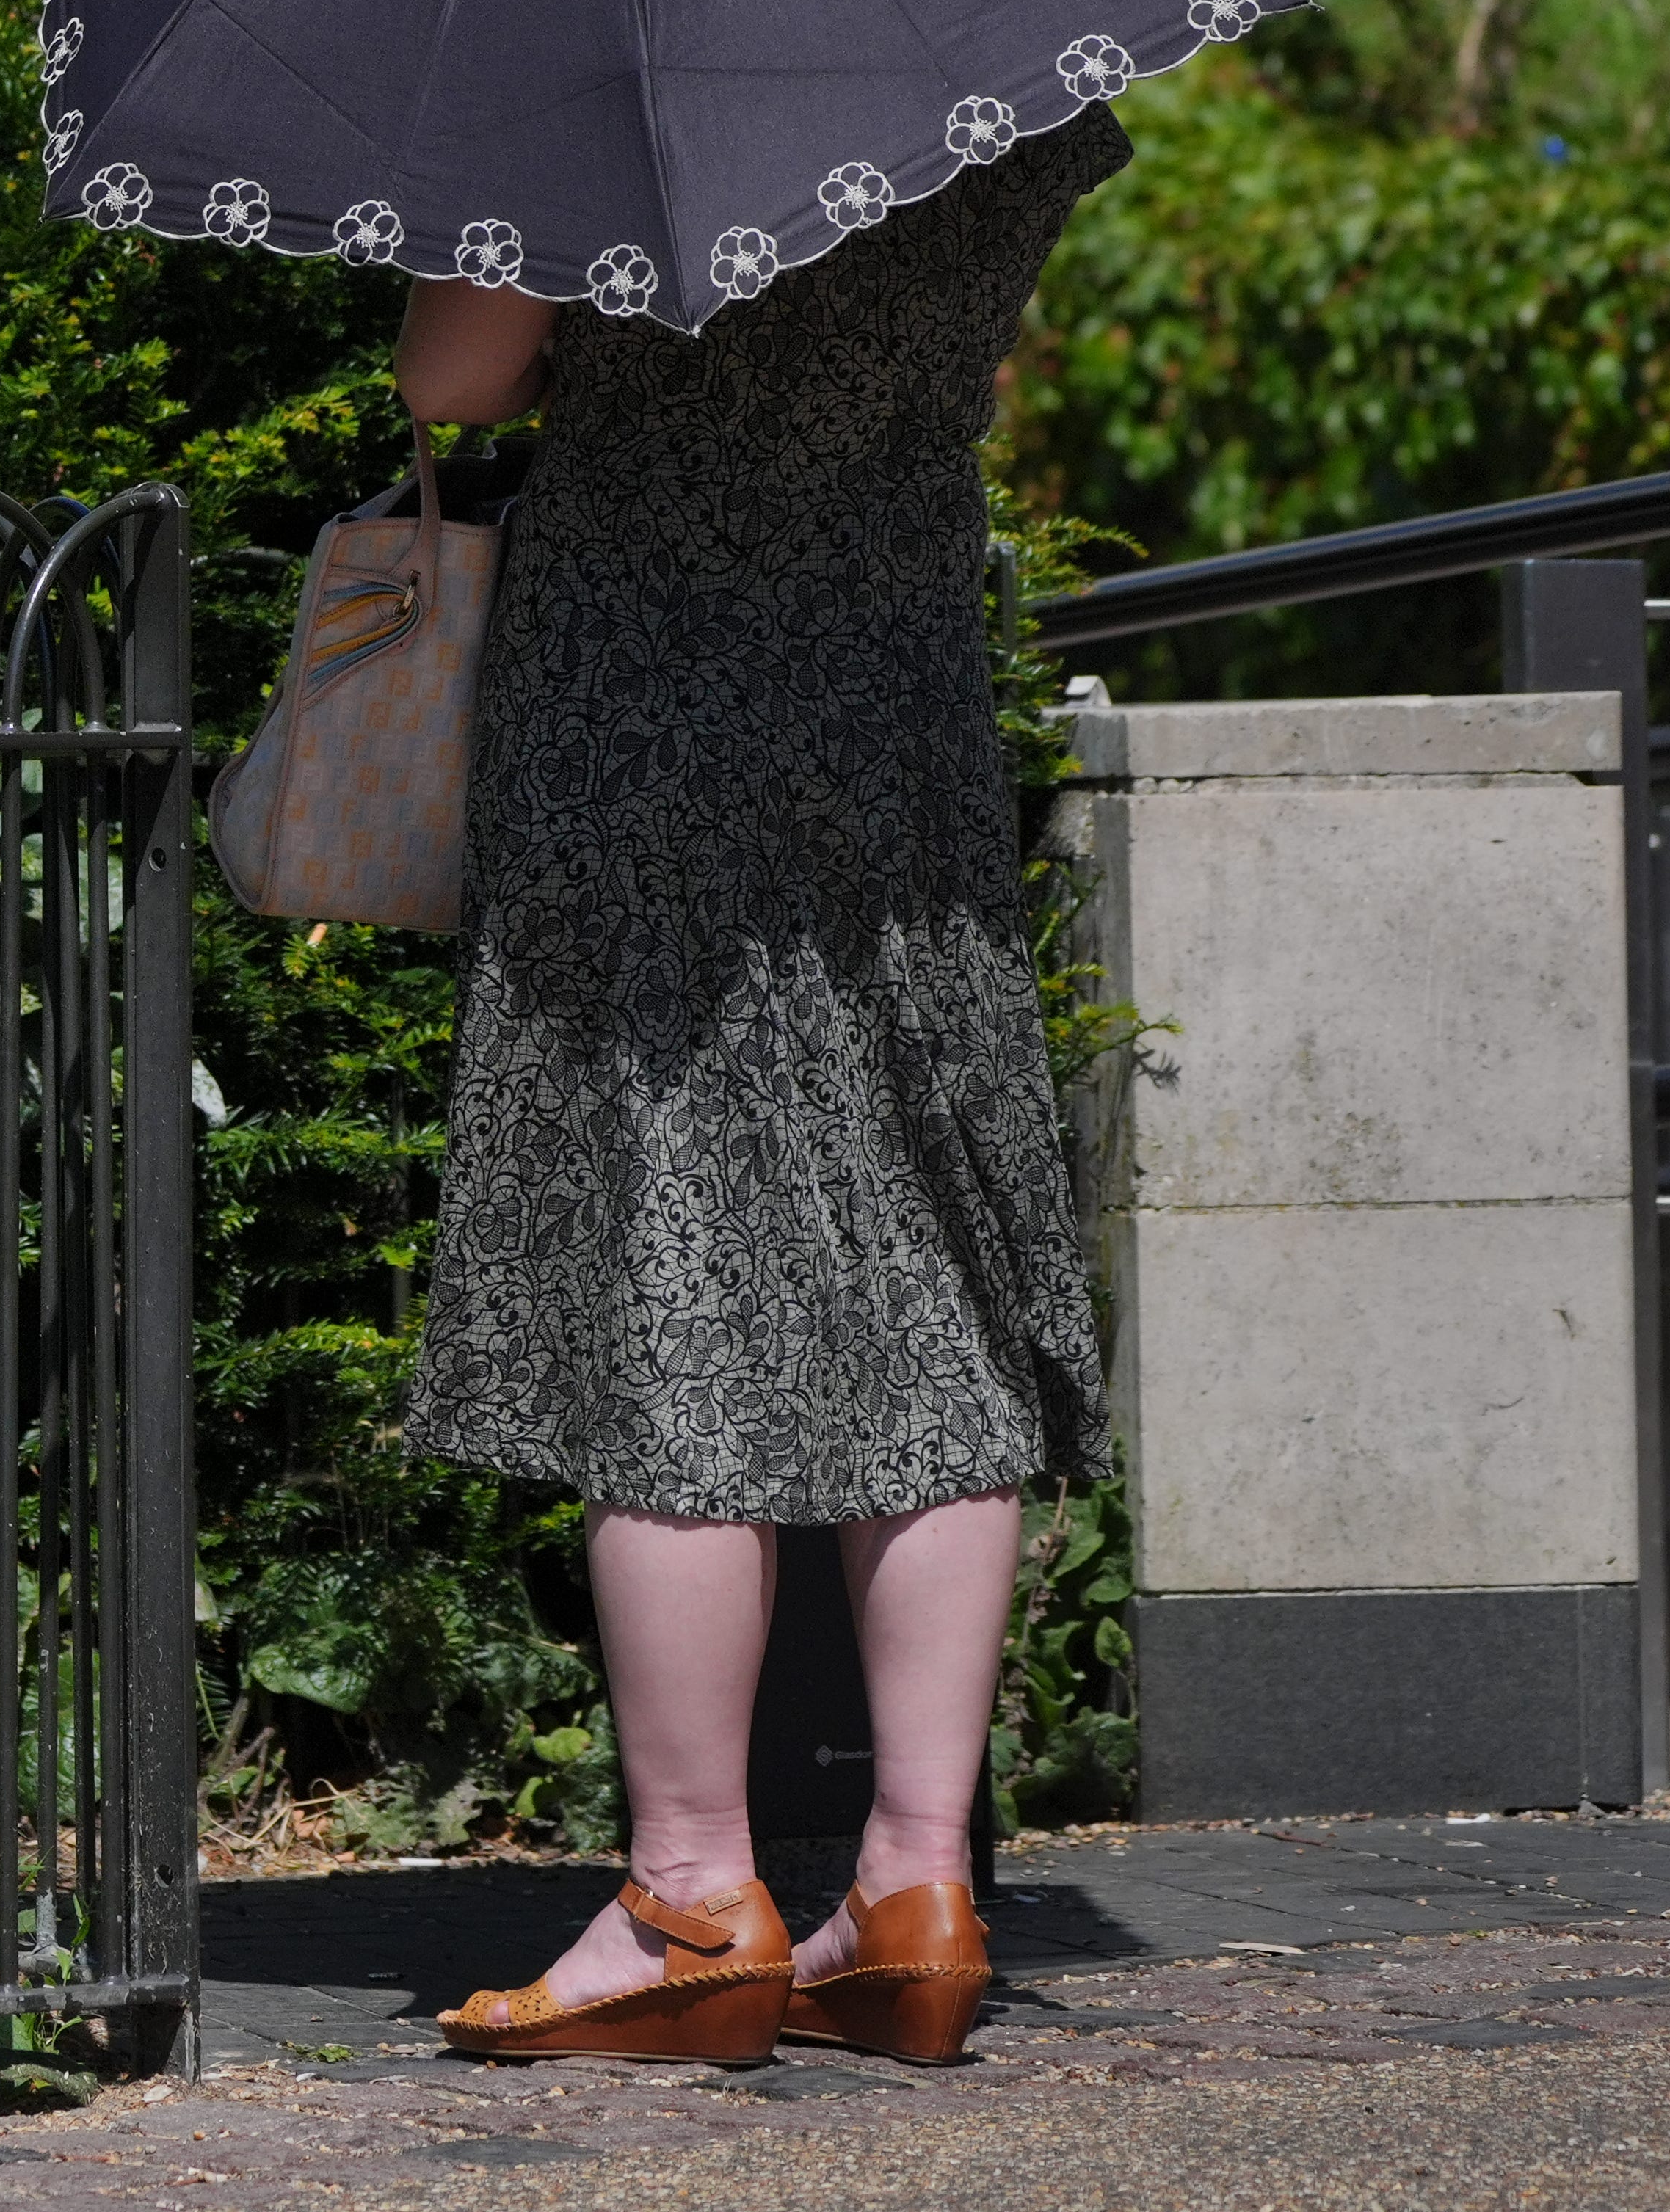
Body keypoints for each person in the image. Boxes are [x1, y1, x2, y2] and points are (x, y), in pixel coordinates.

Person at [388, 111, 1130, 2070]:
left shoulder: (600, 90)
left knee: (672, 1264)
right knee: (926, 1266)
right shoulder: (996, 86)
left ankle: (691, 1891)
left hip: (644, 700)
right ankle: (916, 1884)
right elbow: (947, 356)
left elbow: (452, 378)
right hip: (898, 699)